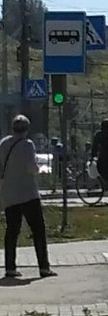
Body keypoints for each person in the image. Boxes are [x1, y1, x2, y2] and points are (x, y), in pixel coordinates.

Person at [0, 115, 55, 280]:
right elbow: (31, 168)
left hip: (9, 195)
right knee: (38, 230)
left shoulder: (3, 144)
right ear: (27, 129)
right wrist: (38, 169)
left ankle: (10, 268)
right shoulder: (27, 145)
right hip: (28, 194)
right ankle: (44, 267)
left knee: (12, 232)